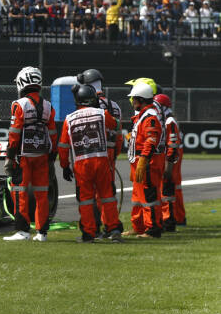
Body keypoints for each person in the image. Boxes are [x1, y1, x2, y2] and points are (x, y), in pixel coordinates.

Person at [58, 84, 123, 243]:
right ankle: (114, 230)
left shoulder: (69, 118)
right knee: (107, 197)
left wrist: (65, 166)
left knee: (86, 200)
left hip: (81, 163)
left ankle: (89, 234)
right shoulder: (102, 113)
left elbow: (63, 146)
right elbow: (117, 126)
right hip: (101, 160)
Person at [3, 66, 57, 242]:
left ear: (22, 82)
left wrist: (10, 156)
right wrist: (51, 157)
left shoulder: (19, 104)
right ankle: (41, 233)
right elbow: (53, 134)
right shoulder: (48, 106)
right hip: (42, 155)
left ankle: (22, 231)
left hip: (22, 156)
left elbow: (14, 132)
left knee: (19, 192)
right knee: (42, 193)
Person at [124, 79, 164, 238]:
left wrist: (143, 159)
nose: (132, 101)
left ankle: (153, 229)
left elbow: (151, 139)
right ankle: (138, 227)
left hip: (146, 162)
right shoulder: (143, 115)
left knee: (149, 197)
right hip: (139, 162)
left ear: (140, 99)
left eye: (134, 99)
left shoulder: (150, 116)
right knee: (137, 198)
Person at [154, 93, 186, 231]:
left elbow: (172, 144)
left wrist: (168, 164)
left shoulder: (169, 121)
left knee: (167, 190)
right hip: (169, 158)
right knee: (166, 190)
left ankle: (169, 221)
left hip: (170, 159)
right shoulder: (167, 120)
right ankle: (167, 218)